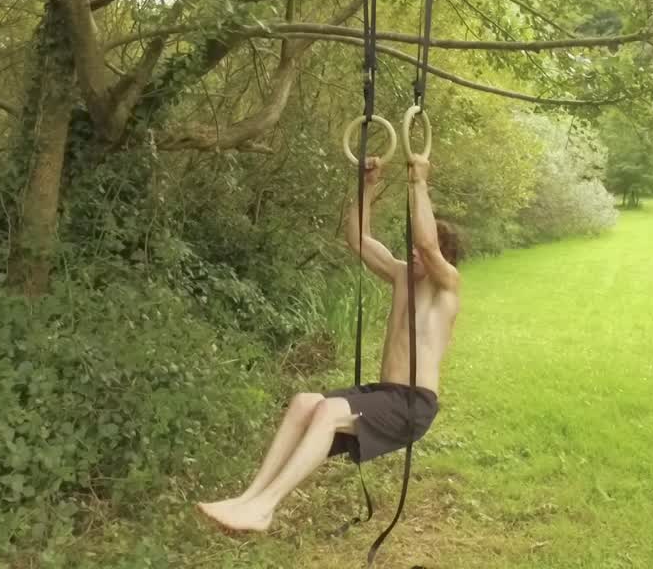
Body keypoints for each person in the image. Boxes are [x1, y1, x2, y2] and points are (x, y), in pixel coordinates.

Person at [197, 154, 461, 532]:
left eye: (422, 250)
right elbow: (357, 239)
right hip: (385, 392)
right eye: (412, 249)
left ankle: (264, 508)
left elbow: (427, 242)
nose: (414, 251)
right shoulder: (401, 275)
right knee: (304, 403)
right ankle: (249, 499)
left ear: (444, 258)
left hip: (413, 404)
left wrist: (419, 181)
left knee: (327, 411)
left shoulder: (446, 286)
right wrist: (366, 186)